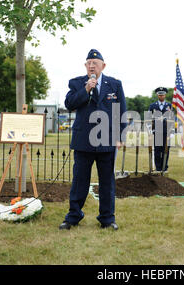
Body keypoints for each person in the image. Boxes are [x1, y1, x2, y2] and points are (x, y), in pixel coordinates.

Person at [59, 49, 127, 231]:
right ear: (85, 66)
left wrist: (120, 137)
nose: (91, 65)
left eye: (95, 63)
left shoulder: (115, 84)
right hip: (83, 141)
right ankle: (73, 216)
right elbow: (69, 104)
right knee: (80, 182)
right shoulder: (76, 83)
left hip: (107, 141)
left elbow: (121, 112)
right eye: (88, 63)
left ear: (103, 66)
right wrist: (86, 88)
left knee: (107, 182)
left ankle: (107, 219)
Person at [148, 87, 173, 172]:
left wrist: (172, 131)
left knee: (166, 149)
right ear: (157, 95)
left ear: (165, 95)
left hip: (167, 132)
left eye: (162, 94)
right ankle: (158, 168)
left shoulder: (169, 106)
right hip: (157, 131)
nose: (161, 96)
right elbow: (148, 119)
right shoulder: (153, 106)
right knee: (158, 150)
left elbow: (172, 119)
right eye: (159, 94)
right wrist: (150, 130)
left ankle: (164, 167)